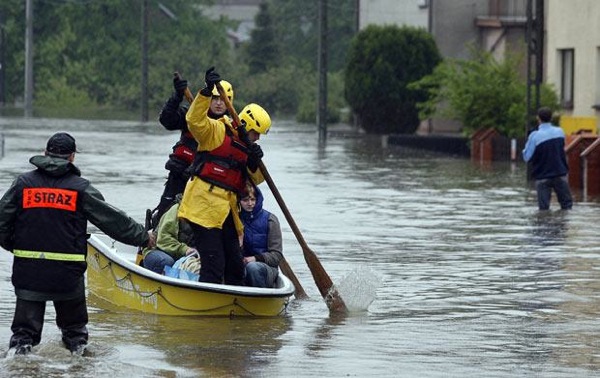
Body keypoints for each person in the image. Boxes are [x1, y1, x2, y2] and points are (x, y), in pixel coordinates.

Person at [0, 132, 156, 356]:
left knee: (23, 338)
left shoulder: (23, 184)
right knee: (75, 339)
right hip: (67, 275)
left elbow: (2, 223)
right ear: (72, 157)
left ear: (45, 153)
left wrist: (15, 246)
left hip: (29, 271)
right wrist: (143, 237)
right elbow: (112, 220)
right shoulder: (79, 188)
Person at [178, 67, 271, 285]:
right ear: (246, 124)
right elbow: (194, 121)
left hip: (226, 211)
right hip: (202, 207)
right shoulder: (218, 131)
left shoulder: (247, 148)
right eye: (254, 133)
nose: (256, 138)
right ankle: (206, 310)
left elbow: (255, 180)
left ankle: (235, 305)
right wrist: (206, 92)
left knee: (235, 265)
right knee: (213, 262)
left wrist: (254, 161)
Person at [151, 73, 234, 228]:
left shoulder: (231, 129)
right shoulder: (192, 116)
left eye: (223, 100)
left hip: (204, 184)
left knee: (194, 225)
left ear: (230, 102)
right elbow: (167, 120)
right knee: (164, 215)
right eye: (215, 99)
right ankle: (154, 237)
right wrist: (176, 97)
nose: (218, 103)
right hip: (180, 176)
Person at [522, 107, 573, 210]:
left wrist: (528, 142)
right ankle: (563, 225)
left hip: (542, 176)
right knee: (567, 206)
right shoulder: (560, 132)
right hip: (560, 173)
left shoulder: (534, 136)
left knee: (543, 210)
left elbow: (527, 157)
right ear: (551, 118)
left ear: (538, 118)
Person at [239, 183, 283, 288]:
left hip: (266, 268)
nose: (250, 204)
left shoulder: (270, 220)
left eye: (253, 200)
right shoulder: (235, 220)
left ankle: (260, 298)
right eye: (245, 200)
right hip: (241, 265)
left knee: (253, 268)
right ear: (238, 201)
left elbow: (277, 256)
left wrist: (255, 258)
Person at [142, 195, 197, 274]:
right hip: (157, 249)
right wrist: (185, 250)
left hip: (186, 256)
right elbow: (163, 240)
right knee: (166, 262)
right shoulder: (176, 210)